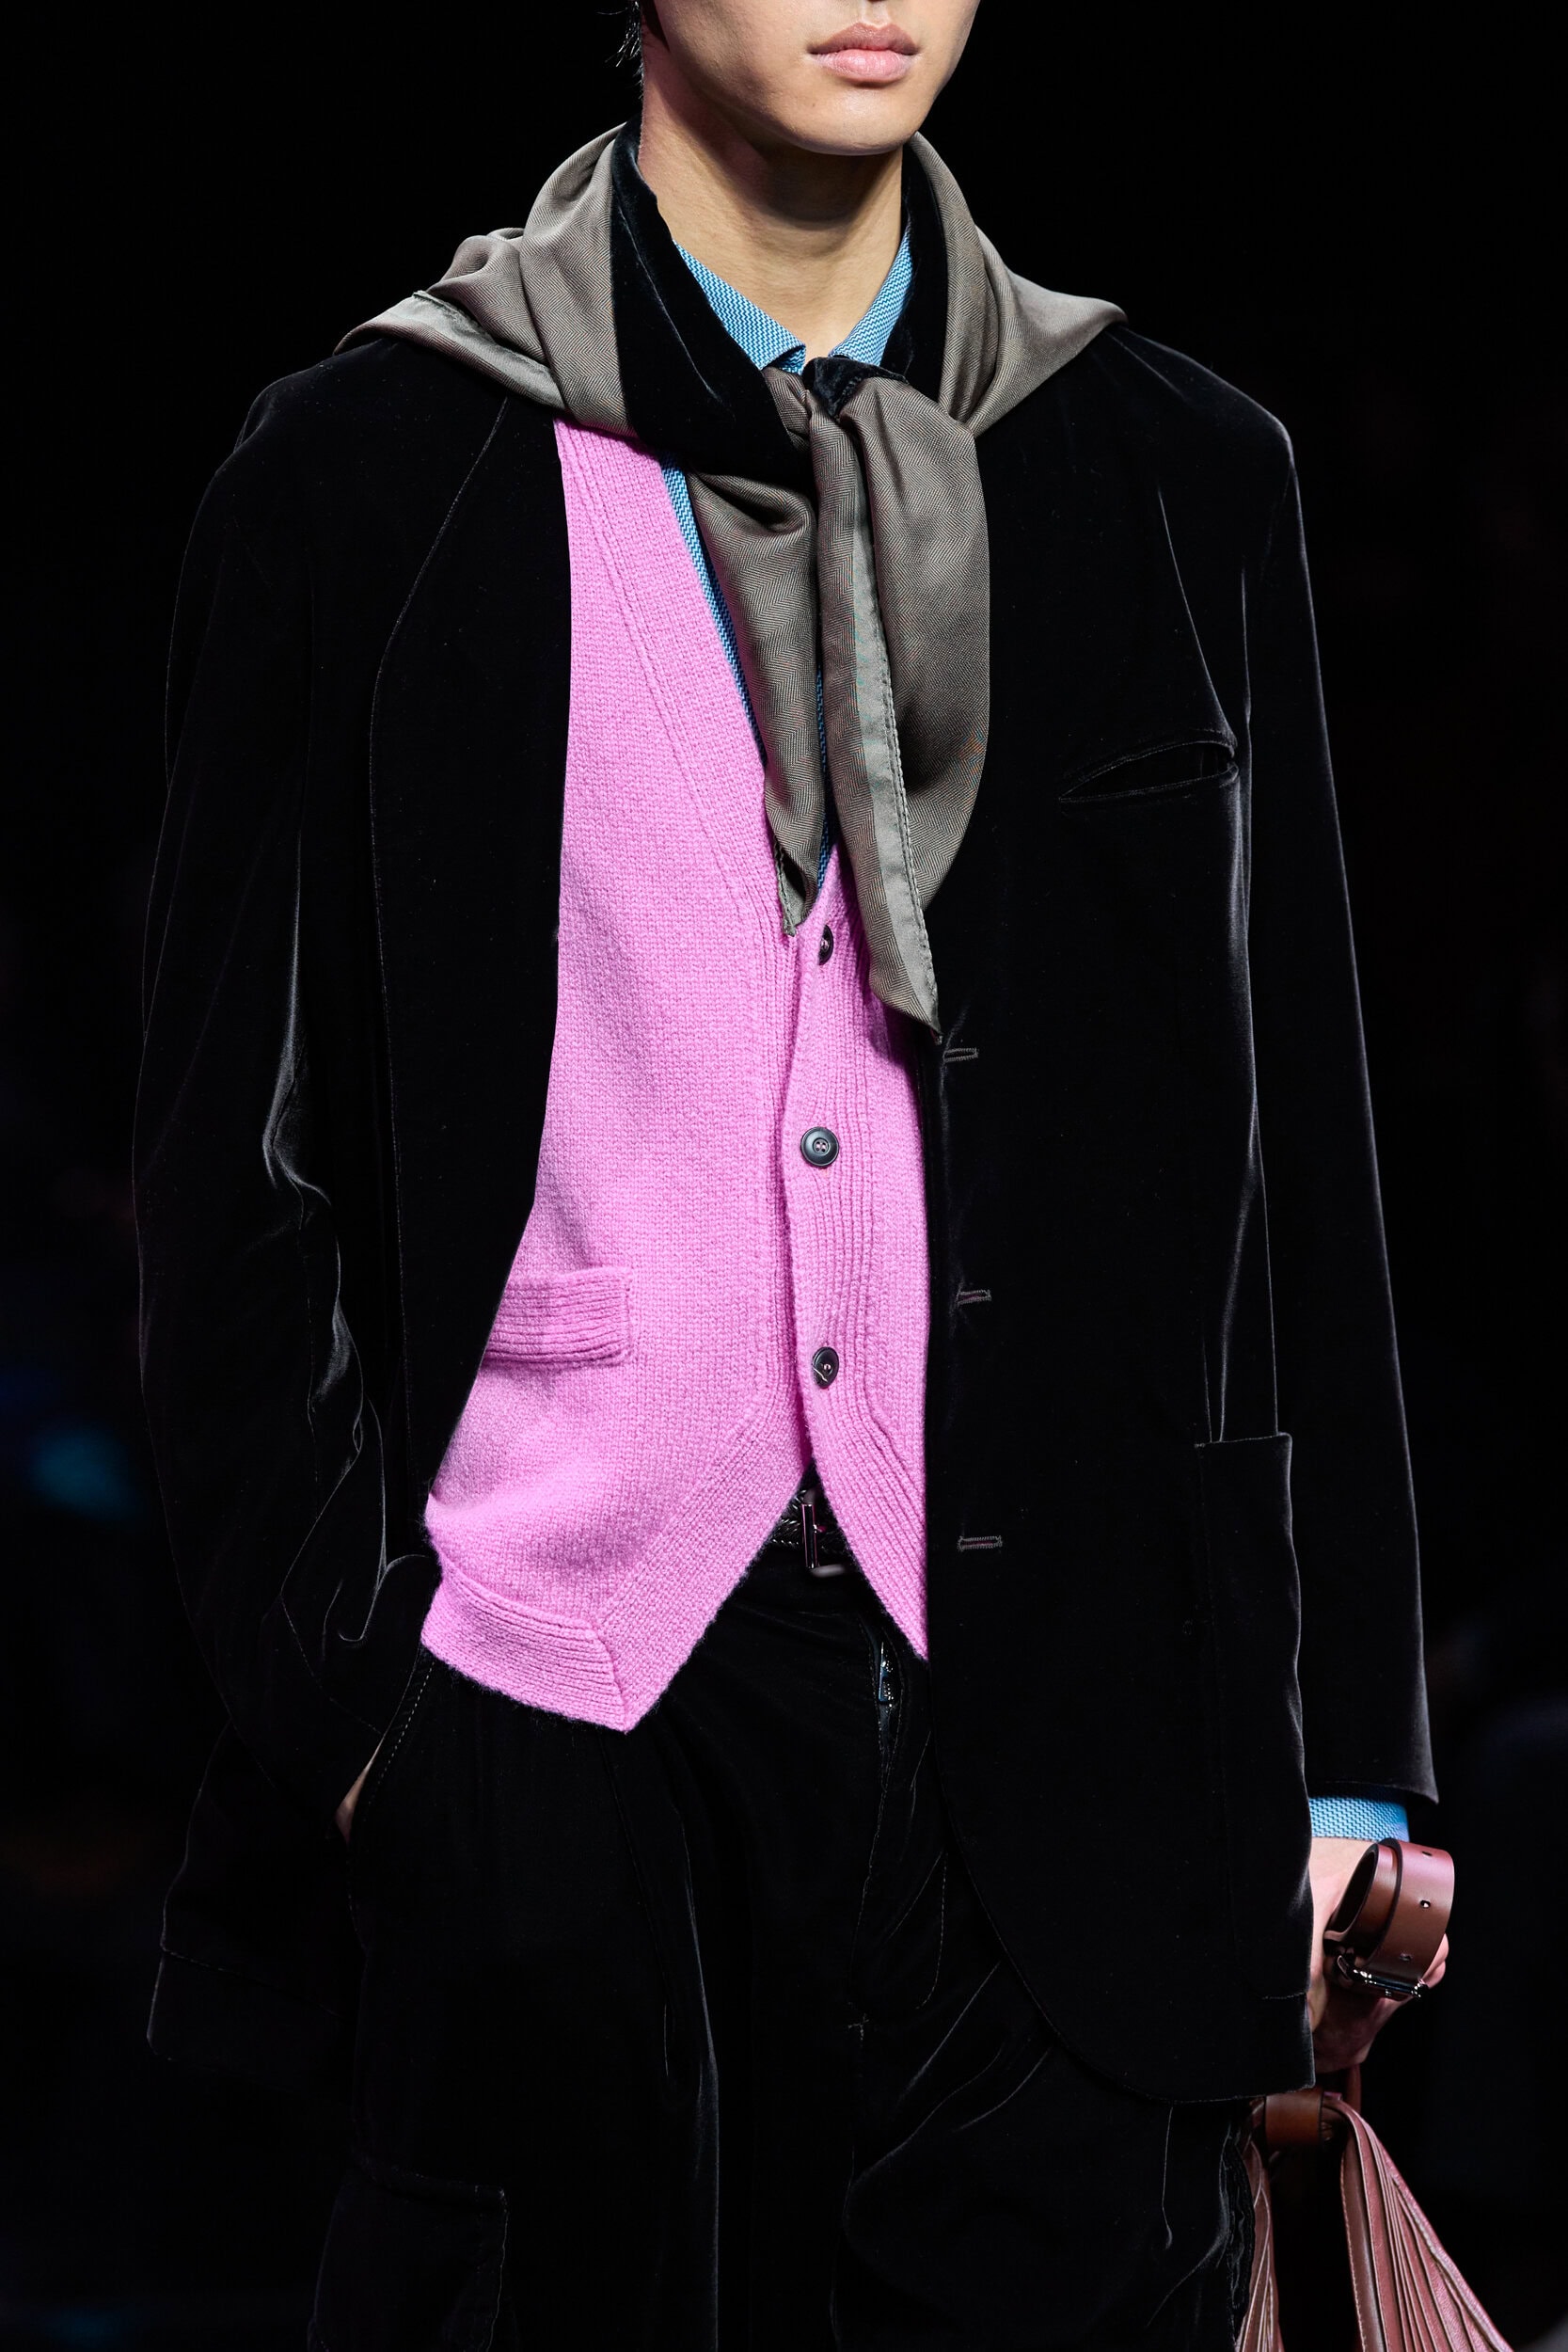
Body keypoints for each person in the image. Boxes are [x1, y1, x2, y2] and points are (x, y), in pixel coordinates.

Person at [135, 4, 1440, 2344]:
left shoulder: (1170, 468)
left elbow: (1296, 1146)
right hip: (551, 1718)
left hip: (1082, 1748)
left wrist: (1355, 1759)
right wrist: (368, 1735)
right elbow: (235, 1168)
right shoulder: (370, 467)